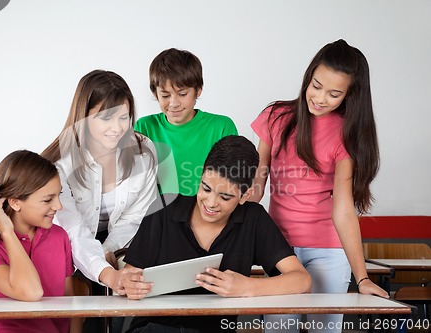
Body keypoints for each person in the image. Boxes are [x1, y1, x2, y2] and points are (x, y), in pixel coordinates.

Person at [249, 39, 389, 333]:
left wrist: (362, 278)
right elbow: (256, 188)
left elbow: (343, 209)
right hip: (279, 248)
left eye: (334, 93)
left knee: (322, 330)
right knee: (278, 329)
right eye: (316, 85)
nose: (320, 98)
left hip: (327, 250)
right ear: (308, 76)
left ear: (350, 96)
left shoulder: (345, 135)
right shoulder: (276, 117)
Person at [120, 135, 312, 333]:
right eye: (206, 188)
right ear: (201, 176)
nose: (211, 203)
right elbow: (129, 277)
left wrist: (247, 287)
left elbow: (302, 280)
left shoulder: (253, 218)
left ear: (244, 196)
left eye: (225, 196)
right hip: (154, 328)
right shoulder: (163, 208)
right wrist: (130, 284)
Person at [42, 70, 157, 331]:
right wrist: (104, 268)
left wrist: (111, 249)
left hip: (123, 244)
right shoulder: (57, 165)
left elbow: (137, 216)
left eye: (123, 117)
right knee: (82, 319)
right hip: (67, 251)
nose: (117, 127)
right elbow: (73, 233)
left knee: (135, 305)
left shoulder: (143, 151)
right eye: (106, 117)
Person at [0, 150, 79, 333]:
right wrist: (7, 232)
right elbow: (31, 292)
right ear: (15, 203)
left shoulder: (59, 236)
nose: (58, 206)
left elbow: (70, 301)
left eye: (59, 195)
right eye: (48, 200)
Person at [134, 48, 238, 196]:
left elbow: (231, 183)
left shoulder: (221, 127)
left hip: (207, 213)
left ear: (198, 90)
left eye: (182, 94)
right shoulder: (145, 127)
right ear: (155, 94)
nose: (174, 103)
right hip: (159, 215)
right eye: (165, 95)